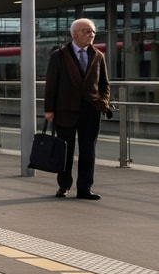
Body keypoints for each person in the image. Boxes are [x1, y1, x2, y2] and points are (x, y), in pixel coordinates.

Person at [44, 17, 112, 199]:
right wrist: (49, 109)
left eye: (93, 32)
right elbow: (51, 84)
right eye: (87, 31)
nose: (91, 35)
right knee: (66, 150)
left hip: (91, 110)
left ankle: (85, 188)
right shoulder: (58, 56)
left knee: (88, 150)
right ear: (74, 34)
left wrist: (103, 101)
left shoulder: (98, 55)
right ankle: (64, 186)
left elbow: (105, 83)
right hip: (65, 110)